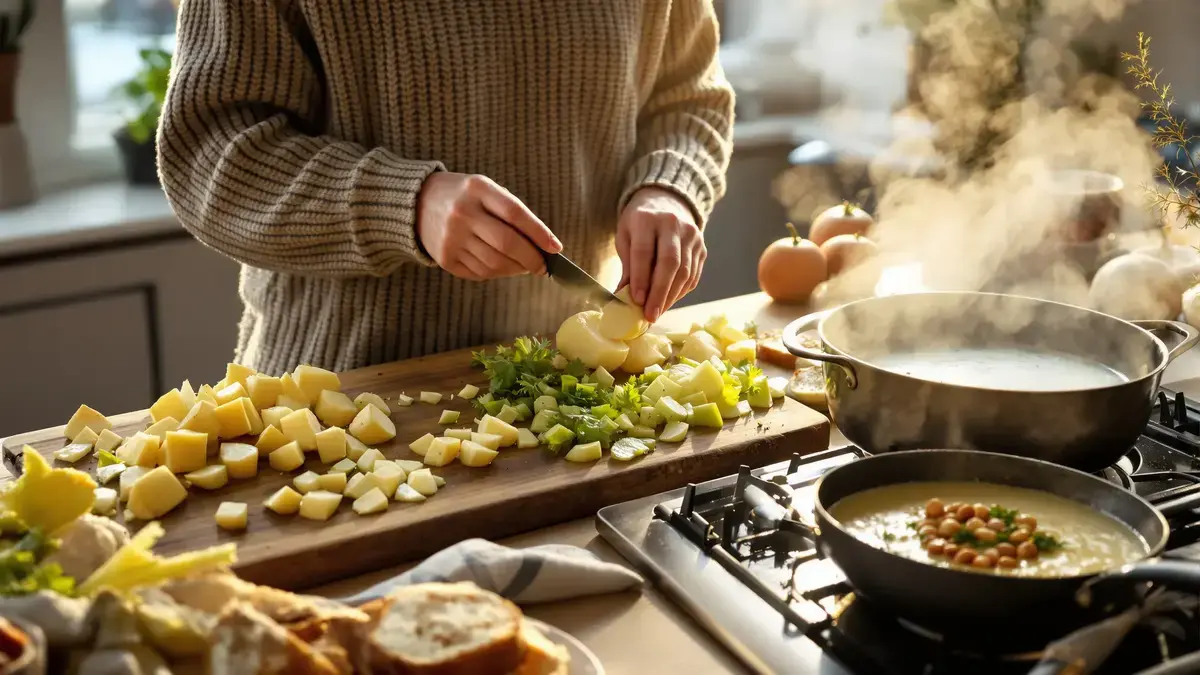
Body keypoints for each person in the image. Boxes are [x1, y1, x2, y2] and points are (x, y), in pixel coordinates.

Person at [158, 0, 734, 375]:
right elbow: (208, 154)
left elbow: (689, 97)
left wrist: (668, 186)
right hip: (344, 398)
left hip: (576, 385)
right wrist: (403, 206)